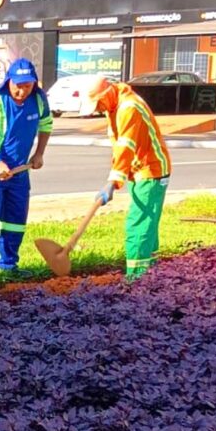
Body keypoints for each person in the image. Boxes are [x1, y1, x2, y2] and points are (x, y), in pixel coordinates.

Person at [78, 75, 171, 280]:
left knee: (138, 225)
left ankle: (136, 279)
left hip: (151, 171)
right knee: (147, 224)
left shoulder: (128, 107)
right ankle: (152, 274)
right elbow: (121, 146)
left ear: (108, 93)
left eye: (98, 104)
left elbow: (126, 147)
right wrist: (117, 176)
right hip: (139, 171)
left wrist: (113, 182)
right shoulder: (114, 105)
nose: (98, 109)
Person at [0, 58, 53, 289]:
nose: (21, 90)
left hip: (19, 170)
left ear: (34, 84)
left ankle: (8, 264)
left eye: (27, 86)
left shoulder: (38, 100)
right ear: (9, 81)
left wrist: (39, 154)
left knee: (15, 220)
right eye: (17, 85)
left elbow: (46, 126)